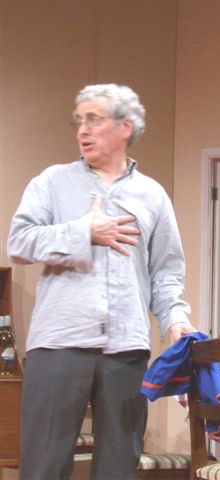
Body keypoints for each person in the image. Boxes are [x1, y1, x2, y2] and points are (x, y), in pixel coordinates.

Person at [7, 83, 196, 480]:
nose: (83, 130)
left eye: (94, 120)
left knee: (118, 468)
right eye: (79, 122)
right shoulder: (52, 182)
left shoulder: (153, 195)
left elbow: (165, 273)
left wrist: (176, 320)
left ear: (125, 127)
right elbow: (19, 243)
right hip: (58, 344)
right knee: (43, 467)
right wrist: (84, 232)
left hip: (126, 349)